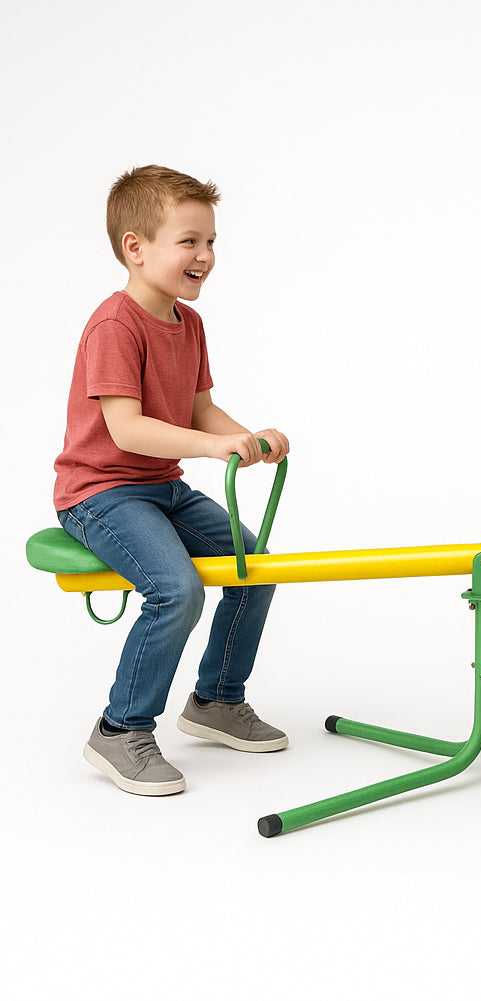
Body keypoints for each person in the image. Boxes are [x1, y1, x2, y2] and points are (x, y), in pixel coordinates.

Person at [54, 165, 291, 796]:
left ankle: (216, 700)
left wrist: (249, 439)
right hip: (100, 494)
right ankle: (120, 728)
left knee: (255, 567)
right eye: (189, 241)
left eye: (211, 242)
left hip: (161, 490)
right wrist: (214, 447)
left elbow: (199, 409)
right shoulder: (115, 325)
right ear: (135, 247)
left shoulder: (190, 325)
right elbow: (127, 429)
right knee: (176, 590)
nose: (205, 255)